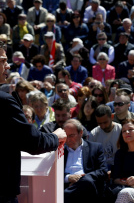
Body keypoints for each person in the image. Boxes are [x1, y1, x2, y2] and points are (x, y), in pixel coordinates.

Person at [0, 41, 66, 203]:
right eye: (2, 60)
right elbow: (33, 142)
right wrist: (56, 137)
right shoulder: (4, 101)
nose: (7, 66)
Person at [63, 119, 107, 203]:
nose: (68, 139)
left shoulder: (95, 148)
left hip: (88, 188)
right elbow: (54, 173)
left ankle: (65, 195)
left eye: (72, 135)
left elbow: (102, 171)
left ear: (81, 133)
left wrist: (81, 179)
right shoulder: (60, 151)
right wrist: (68, 178)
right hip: (67, 185)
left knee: (87, 181)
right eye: (66, 136)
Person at [89, 105, 122, 170]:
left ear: (112, 117)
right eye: (100, 123)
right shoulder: (94, 134)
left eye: (105, 122)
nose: (103, 126)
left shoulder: (120, 130)